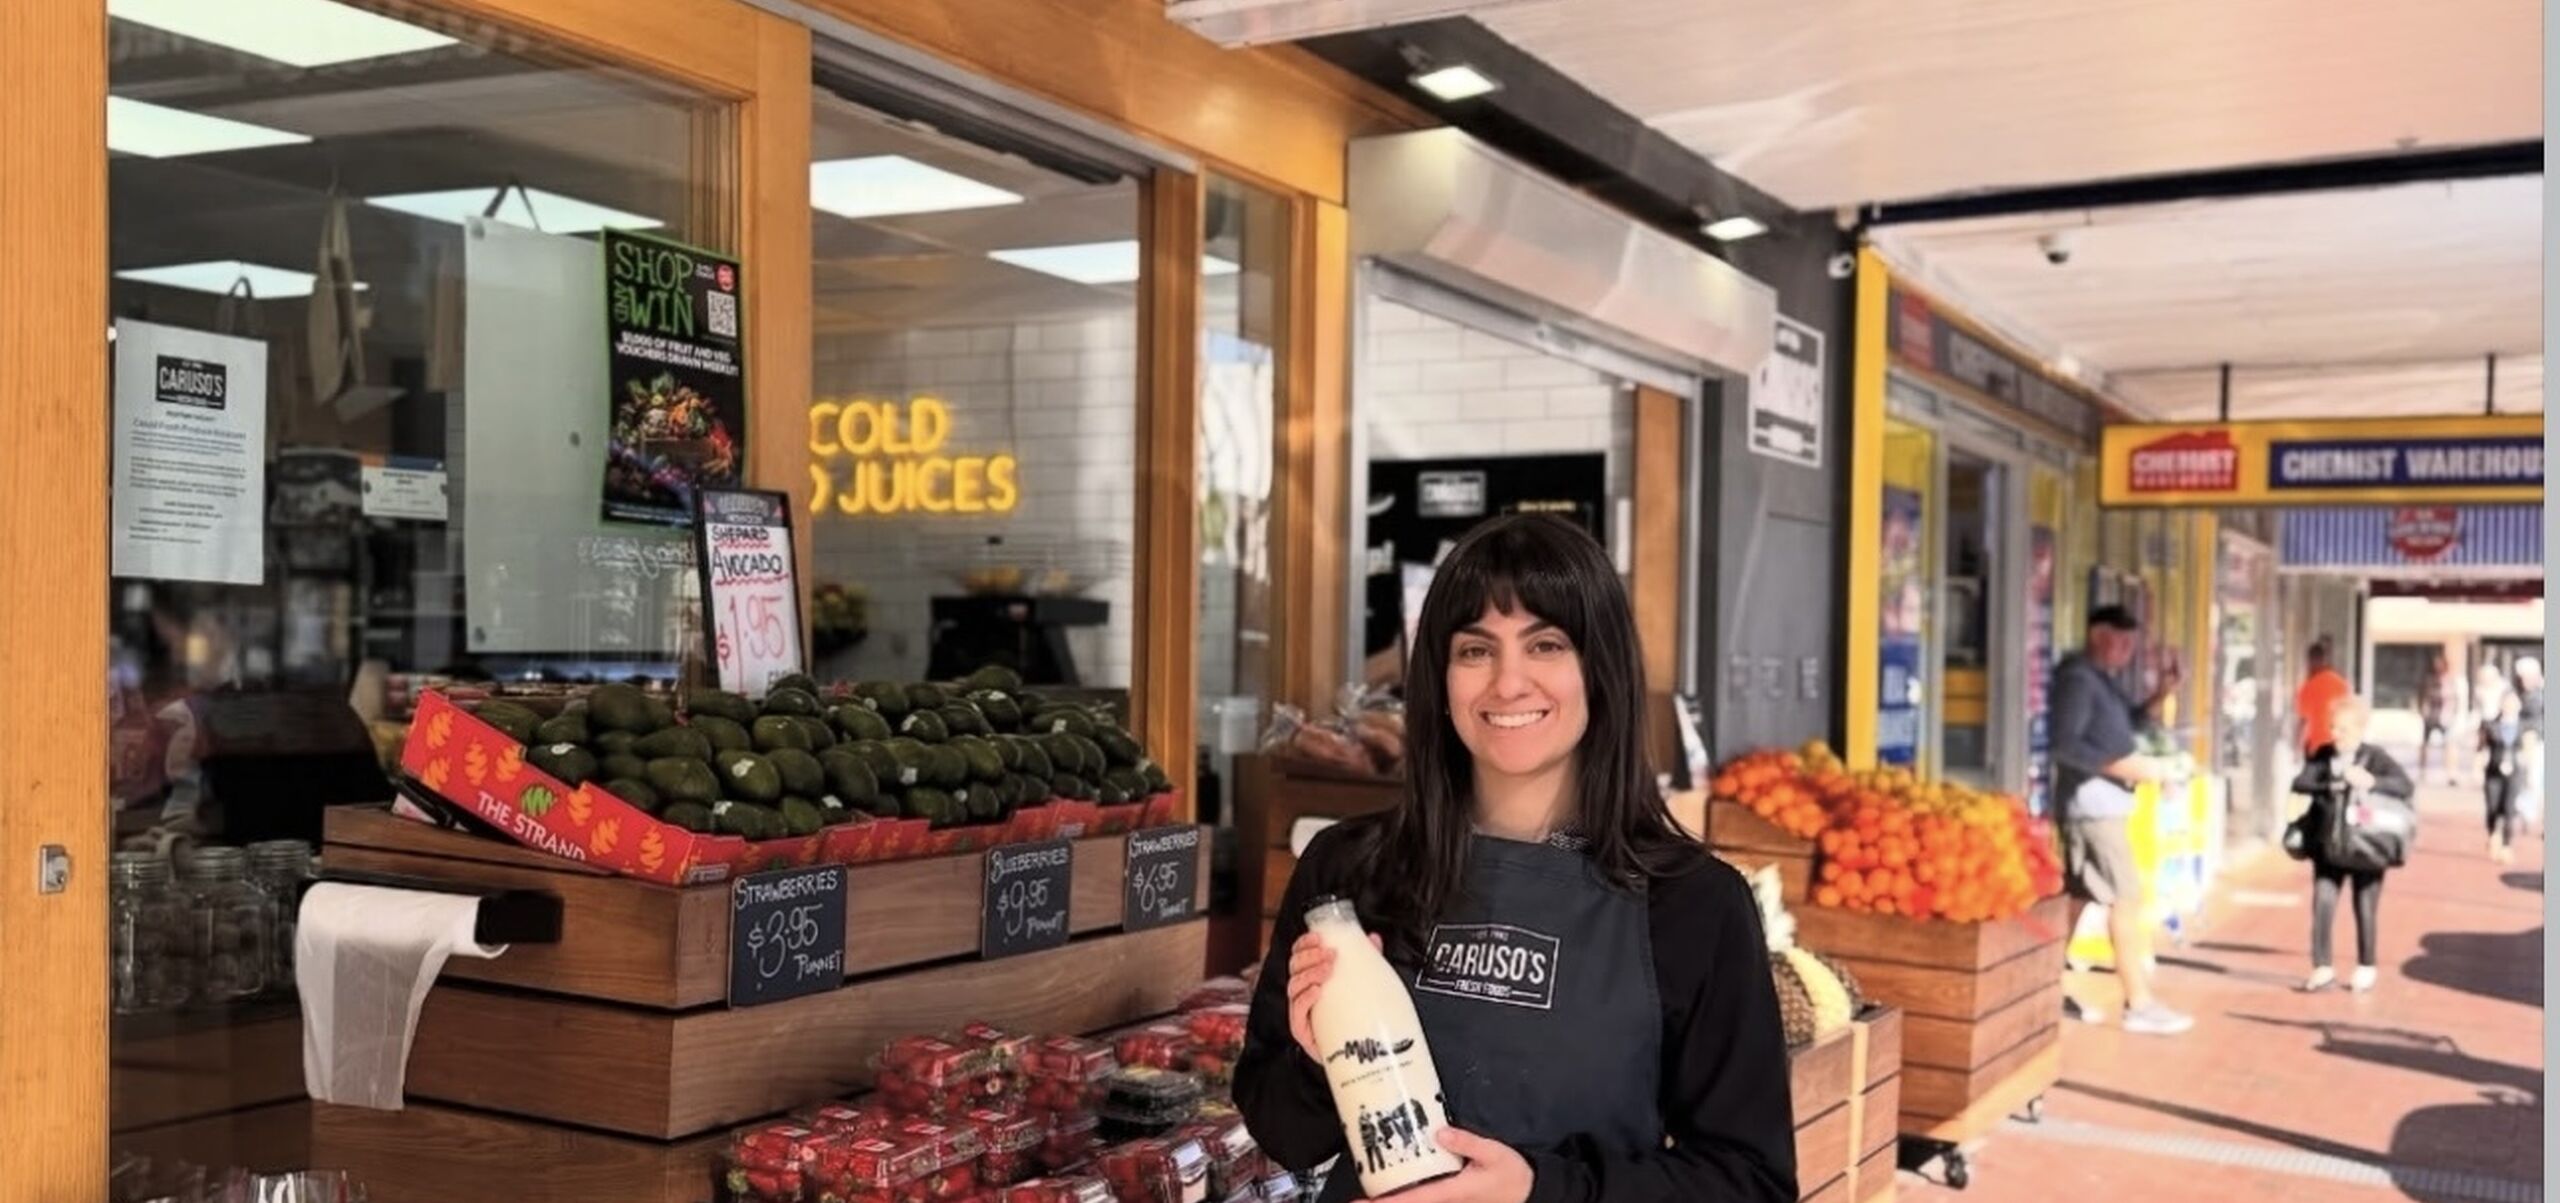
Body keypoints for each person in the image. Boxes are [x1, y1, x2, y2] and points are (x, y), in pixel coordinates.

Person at [1234, 514, 1795, 1203]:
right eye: (1475, 649)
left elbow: (1751, 1183)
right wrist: (1322, 1062)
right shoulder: (1349, 871)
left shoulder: (1695, 905)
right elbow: (1283, 1133)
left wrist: (1540, 1190)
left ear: (1602, 666)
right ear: (1439, 675)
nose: (1508, 682)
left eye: (1546, 644)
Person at [2048, 605, 2191, 1035]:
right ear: (2097, 635)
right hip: (2093, 810)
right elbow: (2065, 746)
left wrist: (2161, 694)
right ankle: (2139, 1002)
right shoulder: (2077, 680)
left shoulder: (2101, 681)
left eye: (2133, 643)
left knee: (2077, 901)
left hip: (2102, 807)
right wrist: (2127, 769)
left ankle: (2043, 990)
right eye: (2121, 641)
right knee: (2125, 899)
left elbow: (2125, 726)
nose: (2127, 651)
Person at [2292, 695, 2413, 993]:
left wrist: (2371, 781)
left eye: (2343, 729)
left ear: (2360, 730)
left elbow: (2404, 785)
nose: (2336, 735)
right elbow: (2301, 782)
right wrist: (2331, 785)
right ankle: (2322, 967)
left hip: (2367, 846)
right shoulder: (2322, 754)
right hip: (2328, 845)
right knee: (2323, 902)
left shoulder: (2375, 757)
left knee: (2366, 906)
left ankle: (2366, 965)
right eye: (2333, 728)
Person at [2478, 691, 2526, 864]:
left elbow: (2529, 749)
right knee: (2492, 807)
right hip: (2493, 771)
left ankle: (2506, 845)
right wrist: (2477, 767)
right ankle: (2492, 834)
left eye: (2513, 704)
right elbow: (2481, 747)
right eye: (2507, 703)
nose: (2509, 707)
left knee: (2509, 809)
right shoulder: (2490, 725)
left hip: (2514, 773)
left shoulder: (2524, 726)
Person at [2294, 640, 2352, 760]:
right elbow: (2349, 715)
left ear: (2310, 660)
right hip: (2336, 743)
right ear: (2325, 660)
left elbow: (2302, 721)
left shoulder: (2307, 686)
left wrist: (2296, 749)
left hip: (2315, 746)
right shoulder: (2340, 683)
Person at [2416, 652, 2462, 786]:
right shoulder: (2429, 679)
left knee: (2450, 745)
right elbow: (2421, 695)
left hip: (2445, 717)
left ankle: (2451, 774)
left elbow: (2456, 699)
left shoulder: (2451, 680)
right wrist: (2422, 710)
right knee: (2425, 744)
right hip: (2430, 716)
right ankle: (2422, 772)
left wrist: (2454, 714)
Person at [2515, 657, 2545, 839]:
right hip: (2533, 742)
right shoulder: (2526, 695)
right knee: (2532, 780)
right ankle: (2527, 812)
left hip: (2537, 741)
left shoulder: (2538, 694)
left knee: (2533, 779)